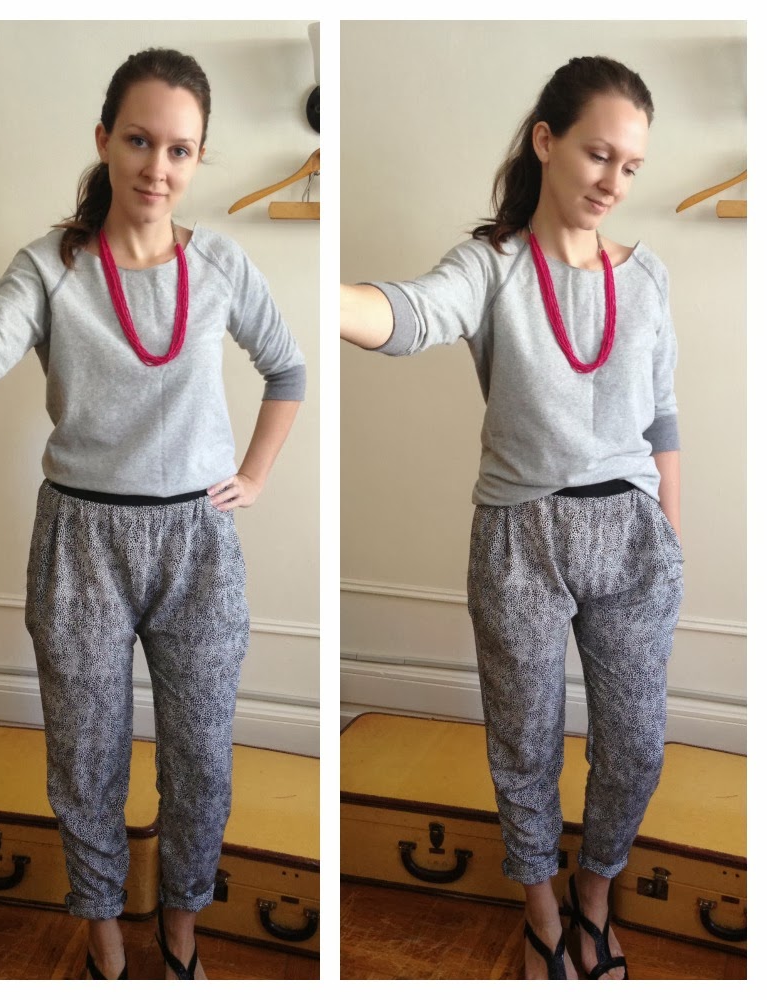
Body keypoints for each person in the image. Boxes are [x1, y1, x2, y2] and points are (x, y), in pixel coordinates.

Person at [0, 48, 305, 980]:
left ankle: (182, 933)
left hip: (198, 545)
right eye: (140, 141)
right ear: (104, 139)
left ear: (198, 157)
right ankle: (105, 939)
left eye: (180, 149)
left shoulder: (222, 262)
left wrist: (253, 475)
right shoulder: (50, 266)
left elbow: (288, 368)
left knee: (201, 759)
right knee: (86, 759)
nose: (158, 166)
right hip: (80, 542)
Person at [341, 55, 682, 980]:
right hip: (519, 539)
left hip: (633, 537)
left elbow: (662, 416)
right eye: (597, 155)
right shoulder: (490, 266)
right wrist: (320, 299)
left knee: (635, 746)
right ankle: (540, 913)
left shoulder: (647, 277)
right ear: (545, 141)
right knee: (523, 744)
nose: (612, 181)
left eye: (630, 166)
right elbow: (411, 314)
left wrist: (669, 531)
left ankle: (594, 900)